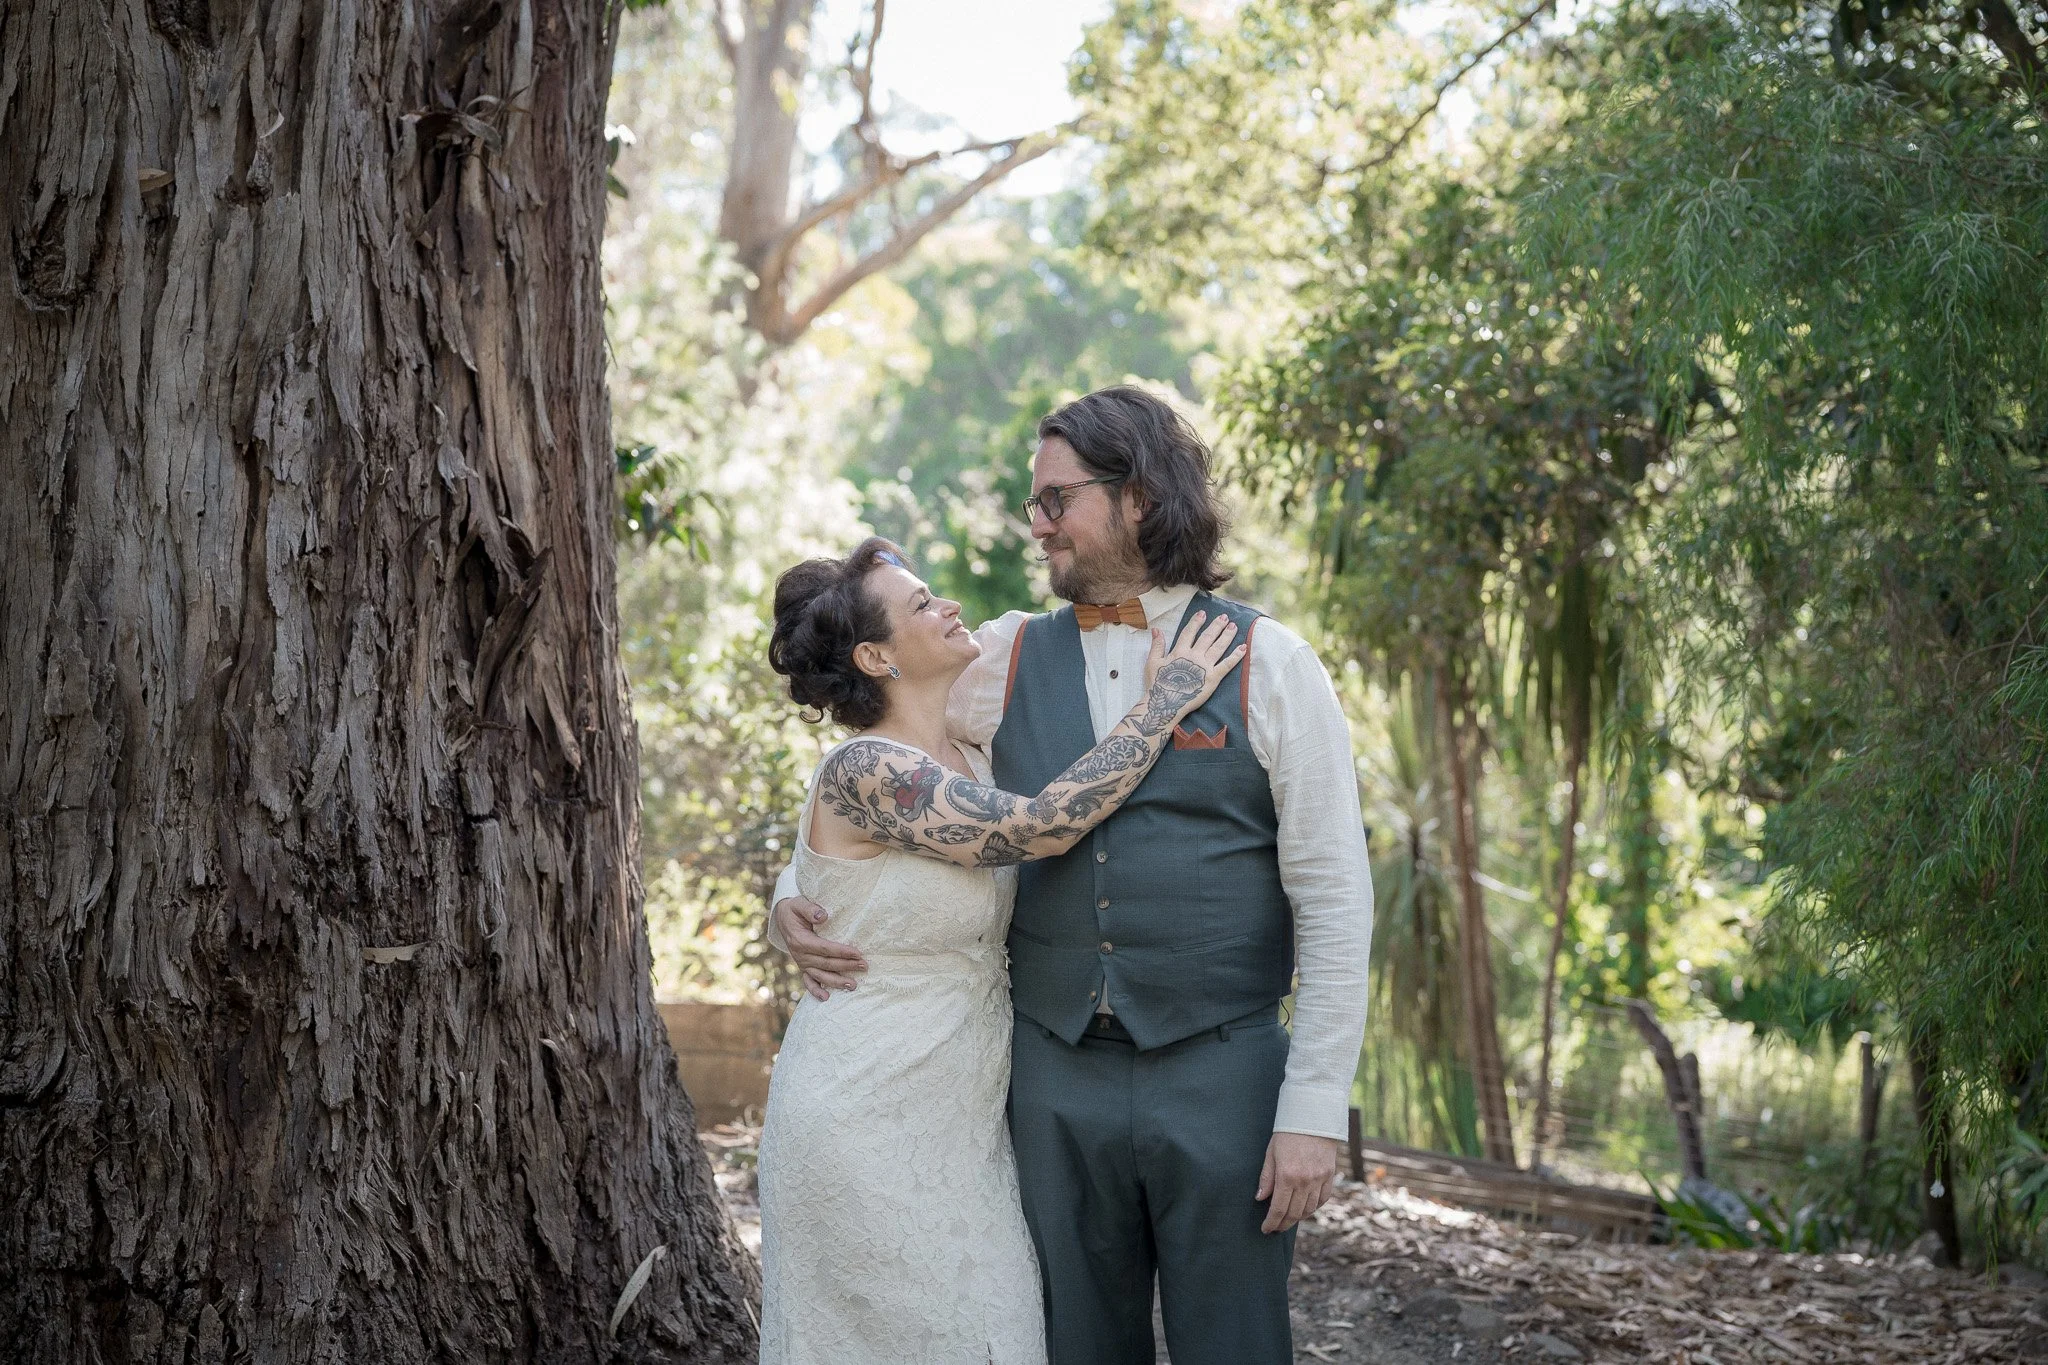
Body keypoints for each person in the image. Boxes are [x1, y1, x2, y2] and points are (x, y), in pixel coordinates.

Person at [770, 386, 1375, 1364]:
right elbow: (878, 759)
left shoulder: (1272, 663)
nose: (1034, 519)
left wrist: (1311, 1112)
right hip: (1046, 1083)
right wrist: (796, 903)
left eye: (1055, 498)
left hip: (1220, 1073)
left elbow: (1335, 901)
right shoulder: (999, 655)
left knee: (1235, 1345)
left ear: (1136, 497)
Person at [756, 534, 1248, 1365]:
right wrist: (1167, 700)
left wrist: (785, 902)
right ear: (877, 655)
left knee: (999, 1334)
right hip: (863, 1114)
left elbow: (854, 881)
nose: (948, 606)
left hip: (968, 1127)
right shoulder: (866, 769)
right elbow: (1040, 827)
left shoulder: (972, 753)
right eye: (921, 604)